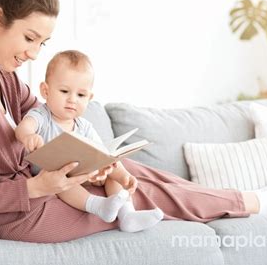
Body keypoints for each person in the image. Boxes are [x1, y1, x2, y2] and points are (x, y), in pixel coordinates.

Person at [0, 0, 267, 243]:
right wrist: (35, 188)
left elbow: (54, 119)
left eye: (41, 44)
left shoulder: (4, 77)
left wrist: (90, 163)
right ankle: (257, 201)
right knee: (142, 189)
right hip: (15, 214)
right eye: (29, 38)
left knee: (124, 170)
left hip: (40, 191)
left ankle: (253, 199)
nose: (33, 54)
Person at [15, 50, 164, 232]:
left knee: (111, 167)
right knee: (62, 183)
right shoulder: (42, 115)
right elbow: (24, 126)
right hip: (54, 177)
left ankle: (127, 214)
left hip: (84, 173)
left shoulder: (84, 126)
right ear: (45, 90)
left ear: (89, 98)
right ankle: (98, 206)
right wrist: (28, 136)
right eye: (64, 91)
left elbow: (104, 154)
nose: (72, 100)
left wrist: (122, 175)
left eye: (81, 95)